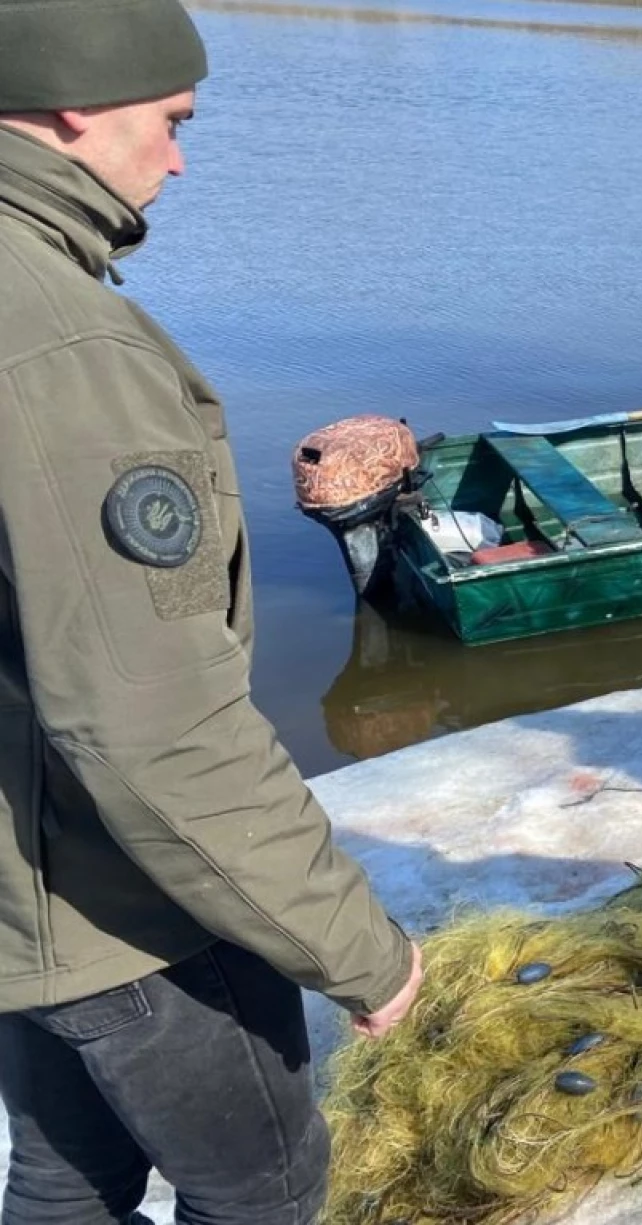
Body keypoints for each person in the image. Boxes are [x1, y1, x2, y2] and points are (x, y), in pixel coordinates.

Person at [0, 2, 424, 1219]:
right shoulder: (64, 349)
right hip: (121, 902)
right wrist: (360, 950)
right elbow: (155, 725)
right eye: (173, 121)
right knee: (266, 1187)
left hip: (21, 892)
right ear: (79, 105)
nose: (180, 158)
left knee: (67, 1177)